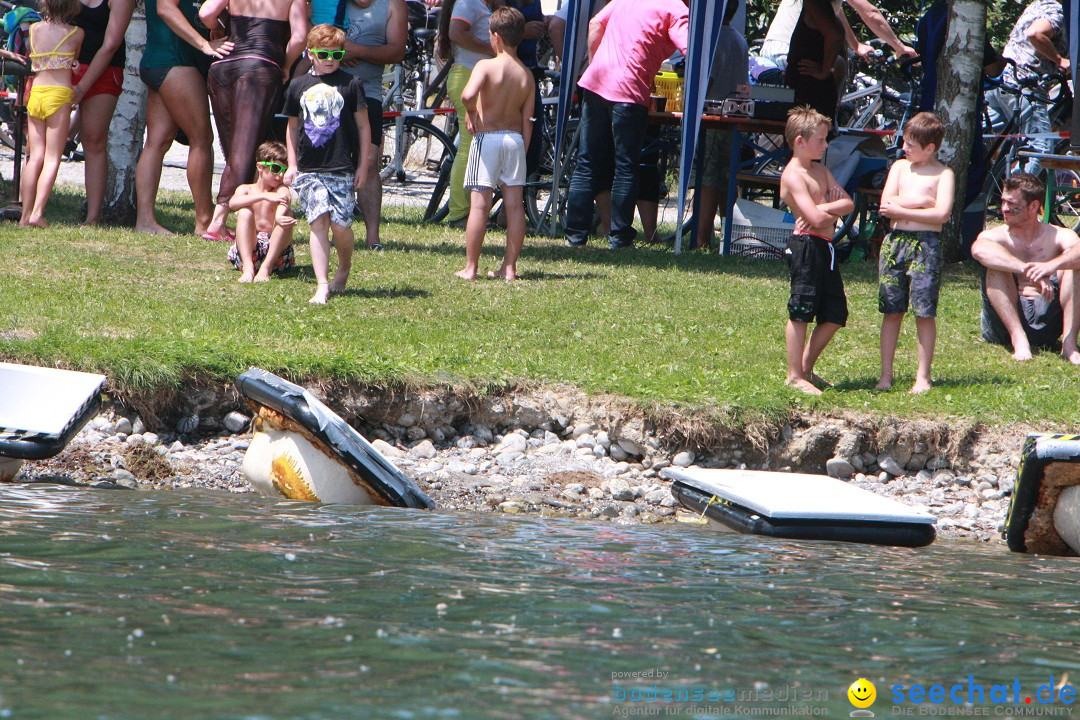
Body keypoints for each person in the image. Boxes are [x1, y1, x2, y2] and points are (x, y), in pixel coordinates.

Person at [563, 0, 688, 250]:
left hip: (596, 82)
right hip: (629, 91)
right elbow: (692, 50)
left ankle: (575, 235)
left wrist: (595, 62)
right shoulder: (676, 9)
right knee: (626, 166)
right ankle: (619, 237)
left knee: (587, 161)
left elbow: (596, 24)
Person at [198, 0, 308, 241]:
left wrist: (220, 30)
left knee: (233, 148)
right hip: (260, 66)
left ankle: (245, 216)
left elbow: (206, 13)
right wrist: (286, 65)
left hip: (222, 66)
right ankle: (218, 221)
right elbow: (300, 37)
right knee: (244, 149)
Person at [284, 24, 372, 305]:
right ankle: (321, 283)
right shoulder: (298, 85)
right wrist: (292, 163)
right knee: (318, 220)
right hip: (310, 169)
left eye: (336, 53)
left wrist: (363, 166)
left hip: (342, 166)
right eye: (323, 53)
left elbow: (363, 127)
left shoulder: (351, 84)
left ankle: (343, 268)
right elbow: (292, 127)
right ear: (310, 54)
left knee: (341, 225)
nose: (329, 58)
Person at [134, 0, 232, 236]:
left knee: (158, 140)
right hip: (175, 60)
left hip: (165, 59)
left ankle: (145, 221)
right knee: (201, 138)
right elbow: (165, 7)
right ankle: (204, 222)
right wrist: (205, 45)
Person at [875, 112, 954, 394]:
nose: (904, 148)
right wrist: (921, 203)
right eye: (904, 143)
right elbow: (886, 205)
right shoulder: (899, 168)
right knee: (892, 309)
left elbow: (941, 214)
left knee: (924, 311)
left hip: (927, 246)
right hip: (896, 242)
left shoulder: (944, 174)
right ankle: (886, 374)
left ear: (930, 148)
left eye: (910, 145)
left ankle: (923, 376)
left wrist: (902, 208)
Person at [453, 6, 533, 281]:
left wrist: (472, 113)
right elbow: (528, 119)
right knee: (514, 206)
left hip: (488, 138)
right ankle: (509, 267)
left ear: (495, 36)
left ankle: (471, 267)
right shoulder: (526, 74)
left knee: (479, 206)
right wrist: (523, 147)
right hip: (514, 139)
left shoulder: (485, 65)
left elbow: (467, 95)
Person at [779, 105, 853, 395]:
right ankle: (794, 374)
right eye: (820, 140)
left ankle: (806, 367)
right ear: (800, 141)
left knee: (835, 314)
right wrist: (827, 209)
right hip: (806, 246)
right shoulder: (794, 176)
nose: (825, 145)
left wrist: (823, 207)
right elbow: (818, 220)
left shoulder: (821, 170)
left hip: (826, 246)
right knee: (801, 309)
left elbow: (848, 203)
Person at [971, 173, 1080, 364]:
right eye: (1003, 202)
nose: (1004, 209)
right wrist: (1028, 270)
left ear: (1033, 206)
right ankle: (1018, 339)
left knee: (1074, 266)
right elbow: (979, 250)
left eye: (1012, 205)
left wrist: (1050, 266)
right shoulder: (997, 236)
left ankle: (1069, 344)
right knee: (995, 267)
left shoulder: (1056, 234)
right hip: (1005, 322)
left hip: (1048, 313)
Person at [342, 0, 408, 250]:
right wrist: (338, 51)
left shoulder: (393, 4)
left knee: (369, 162)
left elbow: (396, 52)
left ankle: (373, 238)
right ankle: (338, 230)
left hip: (368, 92)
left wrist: (356, 50)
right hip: (330, 87)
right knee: (333, 162)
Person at [985, 0, 1068, 177]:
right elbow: (1035, 33)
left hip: (1002, 82)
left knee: (994, 143)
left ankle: (991, 189)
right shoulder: (1056, 10)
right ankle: (1016, 201)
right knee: (1039, 150)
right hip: (1023, 85)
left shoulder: (1037, 5)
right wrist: (1060, 60)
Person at [19, 0, 83, 228]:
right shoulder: (76, 33)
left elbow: (37, 57)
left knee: (34, 156)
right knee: (52, 157)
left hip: (36, 93)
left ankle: (24, 216)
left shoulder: (34, 30)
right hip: (59, 95)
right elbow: (72, 58)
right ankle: (37, 212)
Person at [436, 0, 499, 229]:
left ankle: (467, 211)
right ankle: (459, 214)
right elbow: (456, 33)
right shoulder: (468, 2)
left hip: (472, 76)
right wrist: (492, 48)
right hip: (467, 76)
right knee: (469, 145)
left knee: (472, 144)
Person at [71, 0, 133, 225]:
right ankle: (32, 208)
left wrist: (81, 88)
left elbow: (111, 44)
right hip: (66, 66)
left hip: (105, 70)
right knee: (44, 139)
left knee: (94, 140)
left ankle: (93, 217)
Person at [694, 0, 748, 250]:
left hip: (713, 117)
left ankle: (702, 236)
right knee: (727, 178)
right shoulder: (739, 39)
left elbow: (707, 78)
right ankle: (729, 235)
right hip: (734, 118)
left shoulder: (714, 41)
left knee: (708, 177)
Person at [760, 0, 915, 72]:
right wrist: (900, 47)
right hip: (792, 54)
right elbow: (870, 14)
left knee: (779, 122)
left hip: (771, 48)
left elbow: (833, 11)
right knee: (837, 68)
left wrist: (855, 45)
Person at [226, 141, 297, 282]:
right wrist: (264, 195)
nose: (280, 175)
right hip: (250, 249)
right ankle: (248, 268)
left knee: (287, 215)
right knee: (245, 212)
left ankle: (266, 267)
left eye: (284, 170)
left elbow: (285, 199)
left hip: (277, 255)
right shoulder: (246, 189)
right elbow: (233, 203)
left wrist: (279, 215)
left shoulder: (280, 189)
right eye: (276, 169)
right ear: (260, 166)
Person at [784, 0, 843, 121]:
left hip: (808, 90)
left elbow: (835, 36)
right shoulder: (825, 7)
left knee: (804, 134)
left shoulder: (814, 3)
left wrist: (824, 71)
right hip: (809, 87)